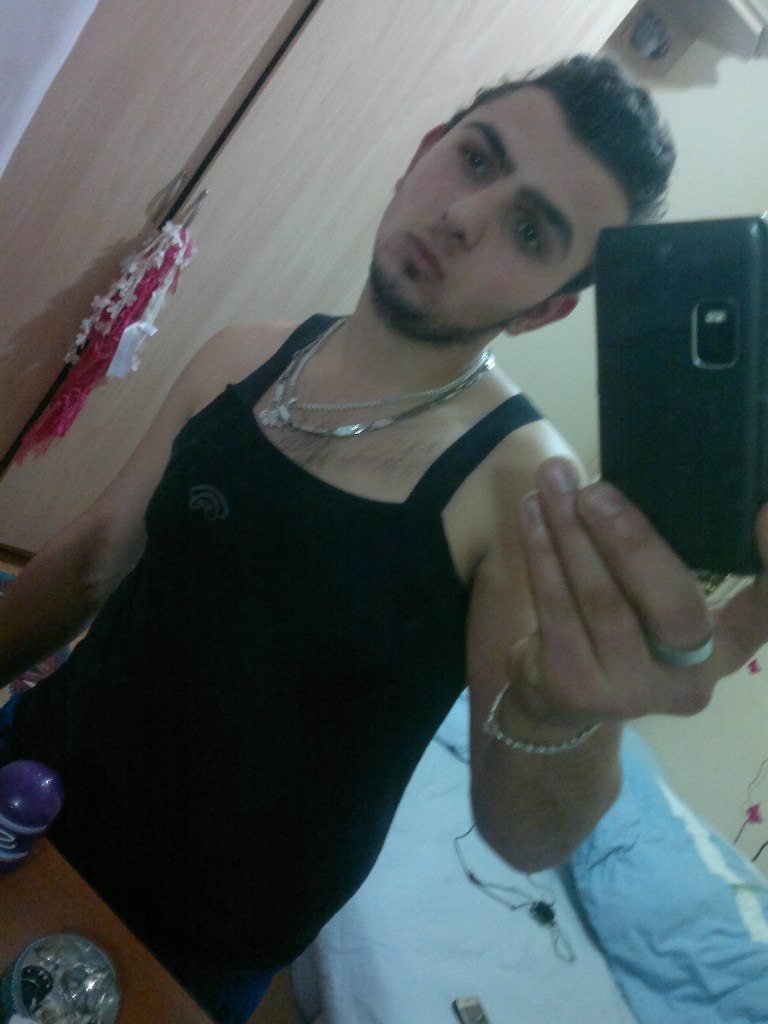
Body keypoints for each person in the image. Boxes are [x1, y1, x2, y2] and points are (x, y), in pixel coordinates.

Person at [2, 55, 767, 1023]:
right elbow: (90, 560)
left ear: (548, 307)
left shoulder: (527, 489)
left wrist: (565, 721)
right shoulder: (247, 352)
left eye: (531, 230)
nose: (466, 216)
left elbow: (523, 832)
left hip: (193, 934)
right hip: (32, 780)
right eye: (476, 160)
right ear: (423, 153)